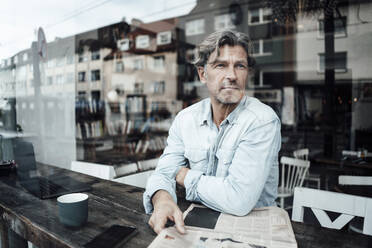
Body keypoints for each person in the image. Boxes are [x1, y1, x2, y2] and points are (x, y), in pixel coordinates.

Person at [143, 30, 281, 235]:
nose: (232, 75)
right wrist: (162, 199)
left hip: (252, 232)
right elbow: (163, 173)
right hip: (195, 225)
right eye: (220, 65)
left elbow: (239, 200)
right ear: (202, 74)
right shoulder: (185, 119)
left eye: (240, 66)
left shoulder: (261, 121)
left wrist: (184, 176)